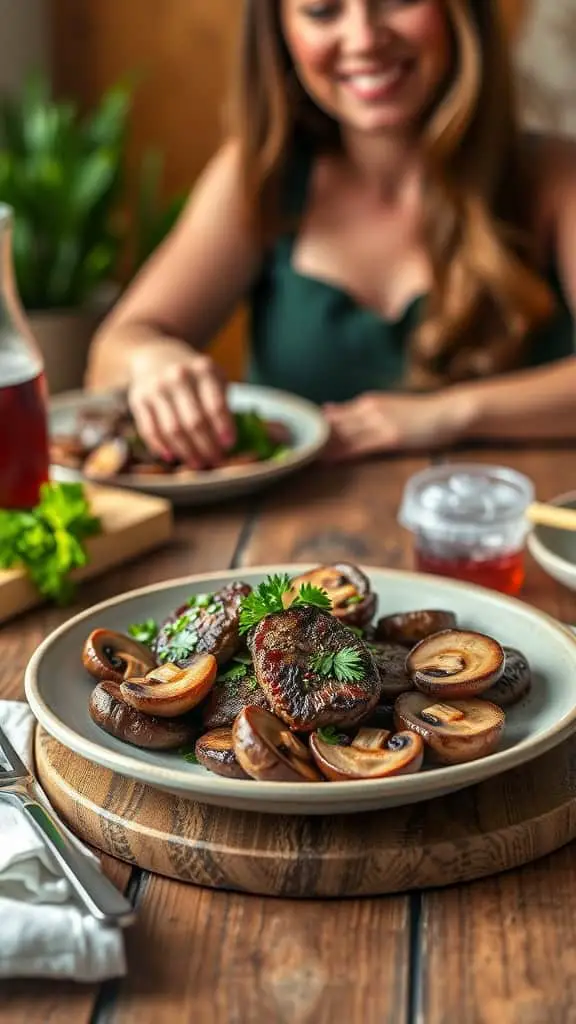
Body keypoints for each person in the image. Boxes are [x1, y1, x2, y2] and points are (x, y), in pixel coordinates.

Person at [87, 0, 576, 468]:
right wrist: (152, 360)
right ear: (280, 34)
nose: (363, 39)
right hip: (286, 546)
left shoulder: (556, 178)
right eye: (322, 10)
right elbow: (110, 357)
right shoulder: (261, 180)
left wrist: (448, 414)